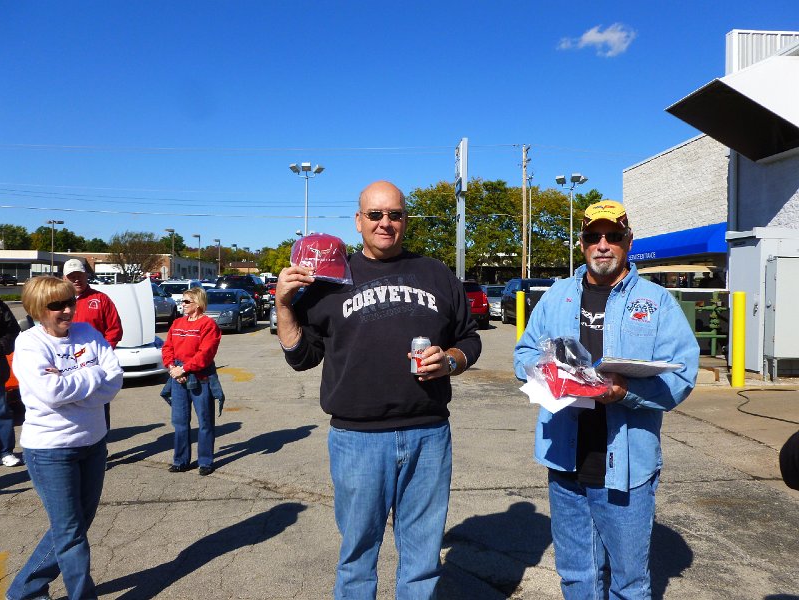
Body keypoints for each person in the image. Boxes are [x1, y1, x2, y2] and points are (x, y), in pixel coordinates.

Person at [276, 180, 481, 599]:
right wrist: (283, 306)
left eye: (395, 214)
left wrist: (452, 360)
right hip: (357, 439)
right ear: (358, 220)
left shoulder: (436, 273)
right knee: (357, 557)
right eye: (375, 215)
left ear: (406, 219)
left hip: (428, 434)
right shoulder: (330, 280)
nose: (385, 223)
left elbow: (470, 340)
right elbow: (302, 356)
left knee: (422, 560)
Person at [514, 200, 699, 599]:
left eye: (613, 236)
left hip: (626, 468)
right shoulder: (556, 296)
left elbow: (683, 375)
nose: (602, 244)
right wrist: (553, 376)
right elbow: (524, 355)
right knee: (576, 578)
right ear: (581, 243)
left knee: (630, 584)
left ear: (627, 242)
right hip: (565, 462)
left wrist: (627, 393)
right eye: (592, 236)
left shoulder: (656, 302)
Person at [6, 276, 123, 600]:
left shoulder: (88, 332)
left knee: (74, 526)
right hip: (51, 451)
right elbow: (50, 392)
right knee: (70, 532)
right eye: (57, 305)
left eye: (70, 301)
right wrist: (93, 377)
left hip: (93, 442)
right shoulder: (30, 344)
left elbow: (114, 379)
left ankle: (24, 590)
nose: (68, 310)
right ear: (38, 309)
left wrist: (78, 380)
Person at [161, 286, 221, 476]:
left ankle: (205, 461)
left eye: (187, 301)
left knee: (205, 421)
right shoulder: (177, 323)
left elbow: (206, 354)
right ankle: (181, 460)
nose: (183, 304)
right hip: (178, 376)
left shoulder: (208, 325)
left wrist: (184, 368)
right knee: (179, 421)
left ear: (198, 303)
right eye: (182, 301)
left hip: (200, 377)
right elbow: (167, 347)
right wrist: (172, 368)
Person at [63, 258, 123, 430]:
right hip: (65, 365)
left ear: (86, 275)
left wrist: (103, 354)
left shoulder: (100, 299)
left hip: (95, 365)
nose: (76, 280)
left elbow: (114, 330)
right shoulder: (57, 302)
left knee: (99, 407)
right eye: (72, 276)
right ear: (64, 278)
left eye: (80, 275)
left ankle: (100, 447)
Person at [0, 298, 21, 466]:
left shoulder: (0, 306)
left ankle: (5, 452)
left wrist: (1, 345)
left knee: (1, 410)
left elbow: (13, 329)